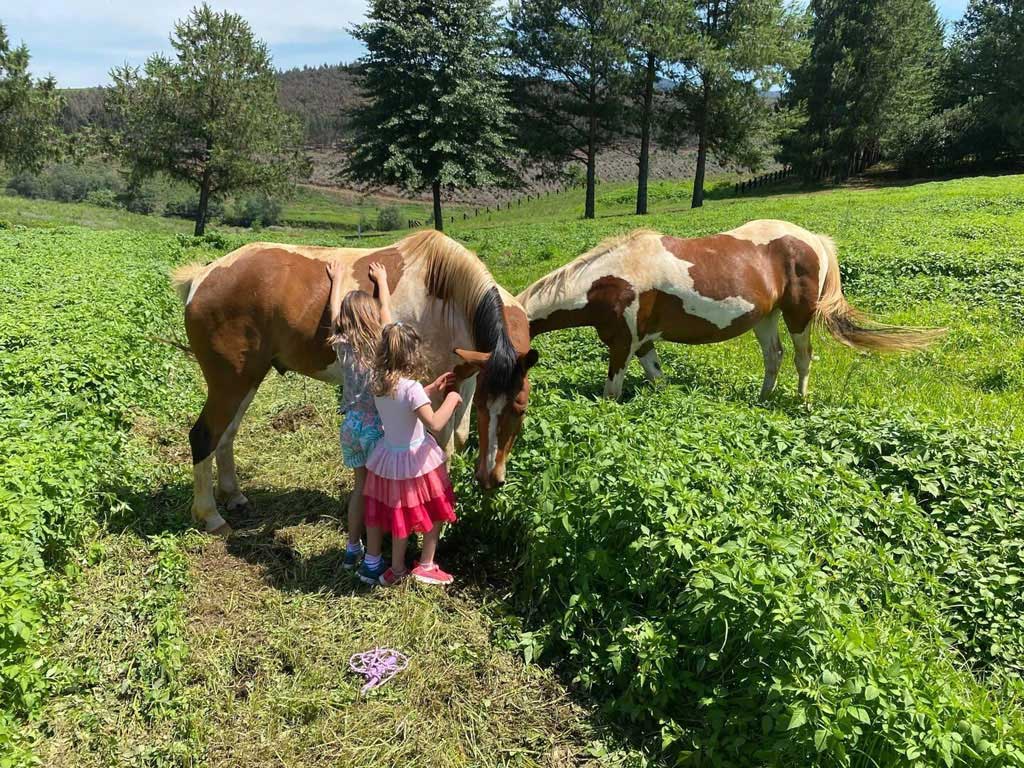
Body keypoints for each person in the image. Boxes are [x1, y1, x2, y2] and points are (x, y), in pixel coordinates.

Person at [357, 322, 462, 586]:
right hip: (416, 461)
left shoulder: (379, 383)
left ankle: (396, 568)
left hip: (389, 456)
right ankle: (426, 565)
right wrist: (451, 400)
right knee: (435, 508)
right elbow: (435, 423)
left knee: (399, 514)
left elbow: (402, 404)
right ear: (413, 353)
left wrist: (430, 390)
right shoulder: (412, 388)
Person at [327, 260, 391, 570]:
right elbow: (387, 314)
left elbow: (334, 316)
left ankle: (352, 548)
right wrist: (383, 282)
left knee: (359, 489)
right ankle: (373, 560)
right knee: (375, 495)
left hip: (350, 425)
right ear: (372, 317)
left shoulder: (342, 345)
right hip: (375, 428)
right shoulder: (382, 344)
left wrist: (336, 281)